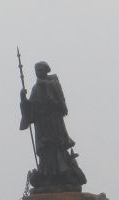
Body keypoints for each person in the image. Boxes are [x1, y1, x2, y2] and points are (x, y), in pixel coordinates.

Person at [20, 61, 86, 191]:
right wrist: (23, 98)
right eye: (36, 70)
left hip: (54, 123)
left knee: (56, 148)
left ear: (46, 70)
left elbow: (60, 104)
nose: (38, 73)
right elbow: (30, 110)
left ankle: (62, 174)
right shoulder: (36, 88)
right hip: (41, 125)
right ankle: (47, 175)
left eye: (40, 70)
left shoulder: (53, 83)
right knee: (45, 151)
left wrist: (46, 91)